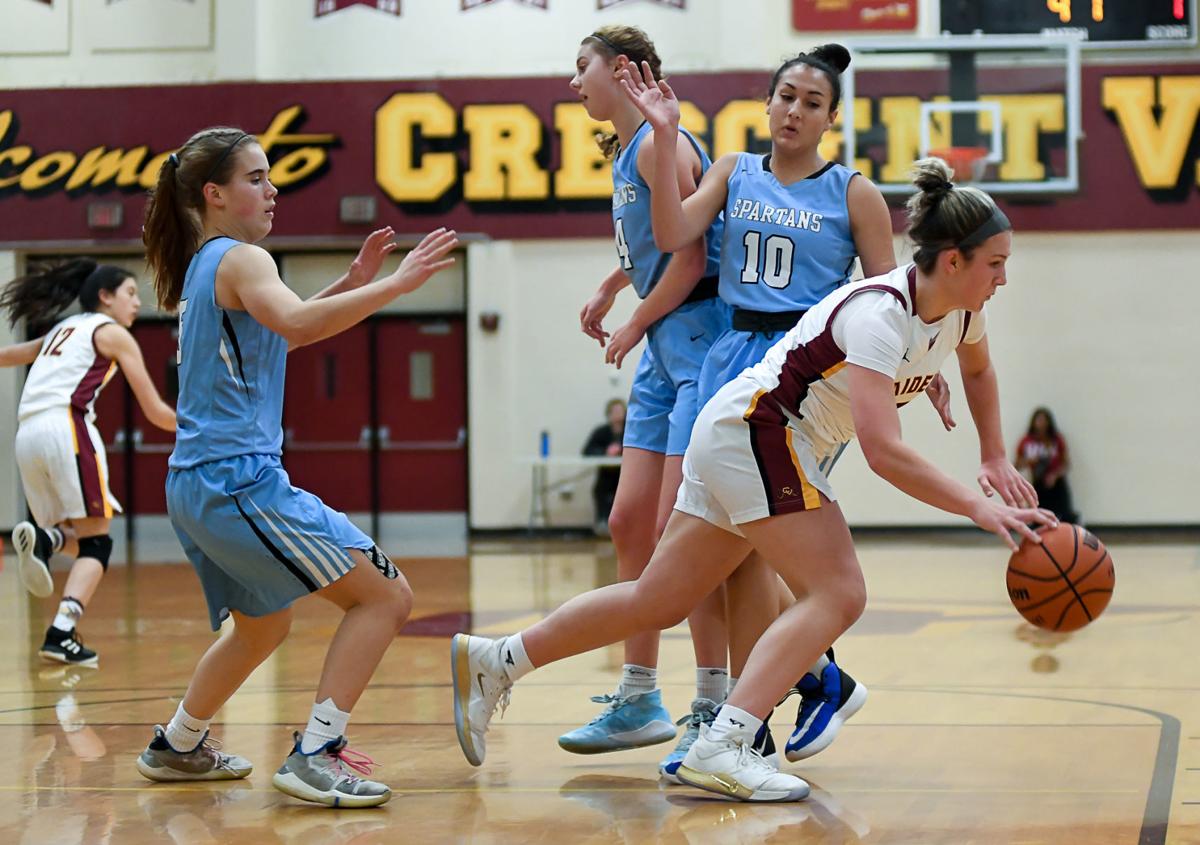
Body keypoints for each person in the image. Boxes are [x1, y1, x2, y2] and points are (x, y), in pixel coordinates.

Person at [451, 156, 1055, 803]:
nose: (1004, 277)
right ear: (954, 260)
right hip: (760, 430)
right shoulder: (880, 315)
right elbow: (884, 452)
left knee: (658, 599)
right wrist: (978, 506)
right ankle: (725, 744)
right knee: (839, 591)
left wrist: (994, 455)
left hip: (740, 433)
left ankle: (497, 660)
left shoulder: (961, 312)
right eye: (996, 263)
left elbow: (979, 371)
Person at [625, 45, 957, 768]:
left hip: (805, 375)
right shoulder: (732, 170)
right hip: (728, 358)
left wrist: (922, 369)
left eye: (812, 102)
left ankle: (751, 718)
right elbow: (674, 235)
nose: (794, 111)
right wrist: (664, 132)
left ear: (831, 119)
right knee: (723, 553)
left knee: (750, 552)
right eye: (786, 96)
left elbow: (891, 297)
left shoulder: (852, 193)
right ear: (768, 102)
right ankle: (794, 692)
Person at [133, 126, 457, 807]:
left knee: (264, 624)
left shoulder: (206, 265)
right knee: (386, 596)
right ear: (214, 194)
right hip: (238, 481)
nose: (272, 189)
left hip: (194, 483)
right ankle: (316, 753)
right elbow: (299, 326)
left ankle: (179, 742)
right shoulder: (244, 259)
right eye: (256, 178)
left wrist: (353, 283)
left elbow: (281, 333)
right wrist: (396, 286)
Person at [564, 25, 734, 767]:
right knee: (630, 520)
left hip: (697, 339)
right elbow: (654, 243)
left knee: (681, 533)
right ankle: (639, 697)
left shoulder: (667, 145)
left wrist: (633, 318)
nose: (574, 82)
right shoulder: (626, 148)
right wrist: (615, 283)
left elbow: (692, 258)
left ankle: (714, 701)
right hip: (664, 345)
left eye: (583, 67)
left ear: (624, 70)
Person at [0, 260, 176, 667]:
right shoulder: (111, 333)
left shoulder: (61, 330)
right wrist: (201, 428)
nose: (137, 302)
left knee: (83, 540)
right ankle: (61, 632)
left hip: (27, 435)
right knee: (98, 543)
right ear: (105, 296)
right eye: (130, 293)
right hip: (67, 428)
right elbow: (153, 409)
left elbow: (8, 355)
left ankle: (48, 542)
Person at [1015, 407, 1078, 523]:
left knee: (1065, 516)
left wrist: (1055, 475)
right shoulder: (1026, 441)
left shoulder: (1056, 440)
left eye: (1044, 420)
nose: (1041, 424)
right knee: (1038, 518)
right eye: (1038, 420)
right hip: (1037, 483)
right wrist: (1029, 461)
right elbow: (1016, 465)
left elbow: (1066, 464)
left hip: (1057, 483)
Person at [581, 398, 626, 535]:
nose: (617, 414)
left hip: (624, 476)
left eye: (620, 411)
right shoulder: (601, 432)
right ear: (609, 414)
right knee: (600, 490)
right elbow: (587, 451)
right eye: (614, 411)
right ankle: (602, 521)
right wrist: (605, 452)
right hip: (606, 475)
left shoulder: (630, 431)